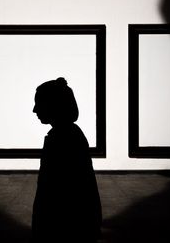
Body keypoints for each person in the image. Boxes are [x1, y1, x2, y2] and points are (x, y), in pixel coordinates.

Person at [31, 77, 102, 243]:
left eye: (39, 103)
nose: (35, 110)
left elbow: (54, 194)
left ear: (53, 105)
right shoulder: (70, 134)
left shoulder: (61, 139)